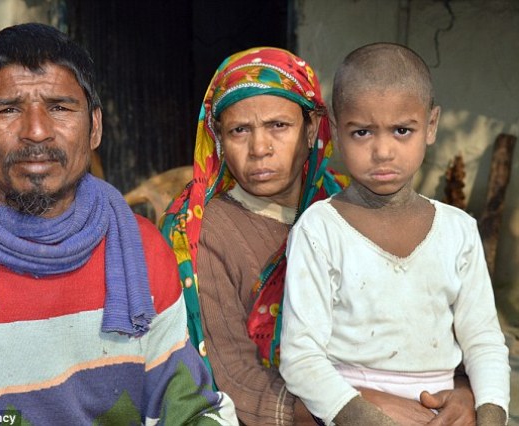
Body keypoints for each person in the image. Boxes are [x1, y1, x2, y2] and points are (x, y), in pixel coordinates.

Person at [0, 22, 237, 425]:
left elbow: (189, 411)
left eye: (60, 107)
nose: (36, 132)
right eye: (8, 109)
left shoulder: (138, 249)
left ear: (95, 127)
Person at [161, 46, 476, 425]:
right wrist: (349, 407)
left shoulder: (354, 203)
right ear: (218, 140)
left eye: (279, 126)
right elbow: (232, 375)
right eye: (239, 130)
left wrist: (463, 389)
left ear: (311, 129)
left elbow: (439, 321)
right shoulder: (201, 231)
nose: (260, 149)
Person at [279, 42, 510, 426]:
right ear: (335, 130)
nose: (383, 151)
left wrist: (490, 415)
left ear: (431, 126)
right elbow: (301, 358)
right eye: (362, 132)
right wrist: (369, 419)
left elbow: (483, 342)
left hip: (440, 414)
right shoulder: (320, 230)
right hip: (349, 411)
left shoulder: (458, 231)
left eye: (402, 130)